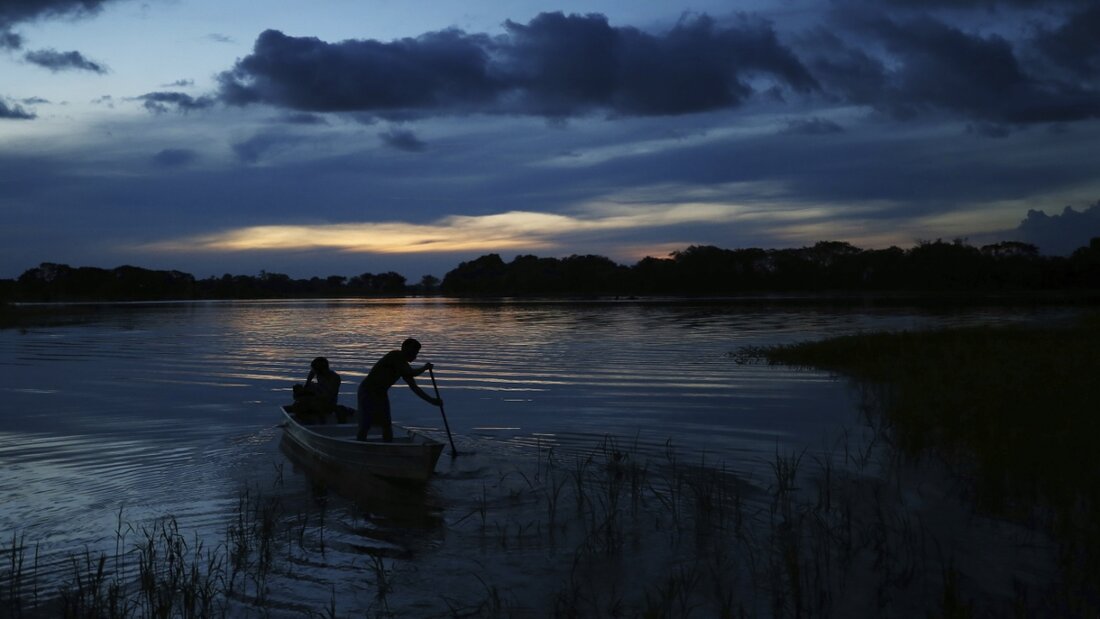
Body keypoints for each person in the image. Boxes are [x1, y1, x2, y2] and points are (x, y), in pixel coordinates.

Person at [357, 338, 441, 442]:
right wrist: (424, 368)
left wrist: (432, 401)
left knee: (386, 424)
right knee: (366, 422)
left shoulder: (404, 367)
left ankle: (388, 447)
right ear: (405, 349)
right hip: (368, 391)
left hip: (381, 394)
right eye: (414, 352)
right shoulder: (395, 356)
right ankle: (361, 444)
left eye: (416, 353)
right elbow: (411, 373)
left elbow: (415, 388)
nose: (415, 356)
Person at [292, 356, 341, 422]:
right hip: (318, 397)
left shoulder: (334, 378)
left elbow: (328, 396)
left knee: (298, 406)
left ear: (321, 369)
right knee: (298, 391)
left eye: (315, 369)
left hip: (328, 403)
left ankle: (314, 421)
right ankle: (307, 417)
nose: (314, 371)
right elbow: (312, 373)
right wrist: (306, 386)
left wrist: (309, 396)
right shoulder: (319, 373)